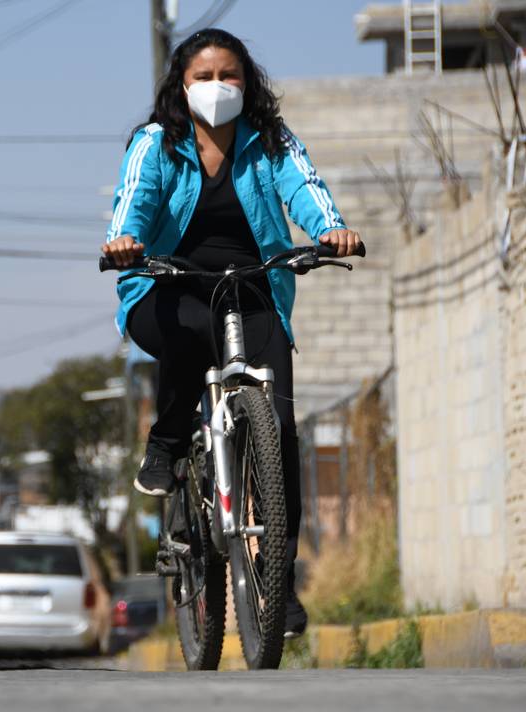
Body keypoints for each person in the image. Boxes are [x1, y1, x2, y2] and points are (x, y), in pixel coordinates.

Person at [100, 29, 361, 638]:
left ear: (248, 83)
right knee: (188, 335)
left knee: (282, 429)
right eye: (203, 77)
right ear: (180, 86)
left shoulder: (272, 141)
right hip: (167, 285)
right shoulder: (156, 143)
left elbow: (306, 188)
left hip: (253, 287)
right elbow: (133, 199)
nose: (218, 87)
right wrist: (125, 241)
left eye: (230, 75)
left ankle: (280, 580)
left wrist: (332, 230)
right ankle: (166, 444)